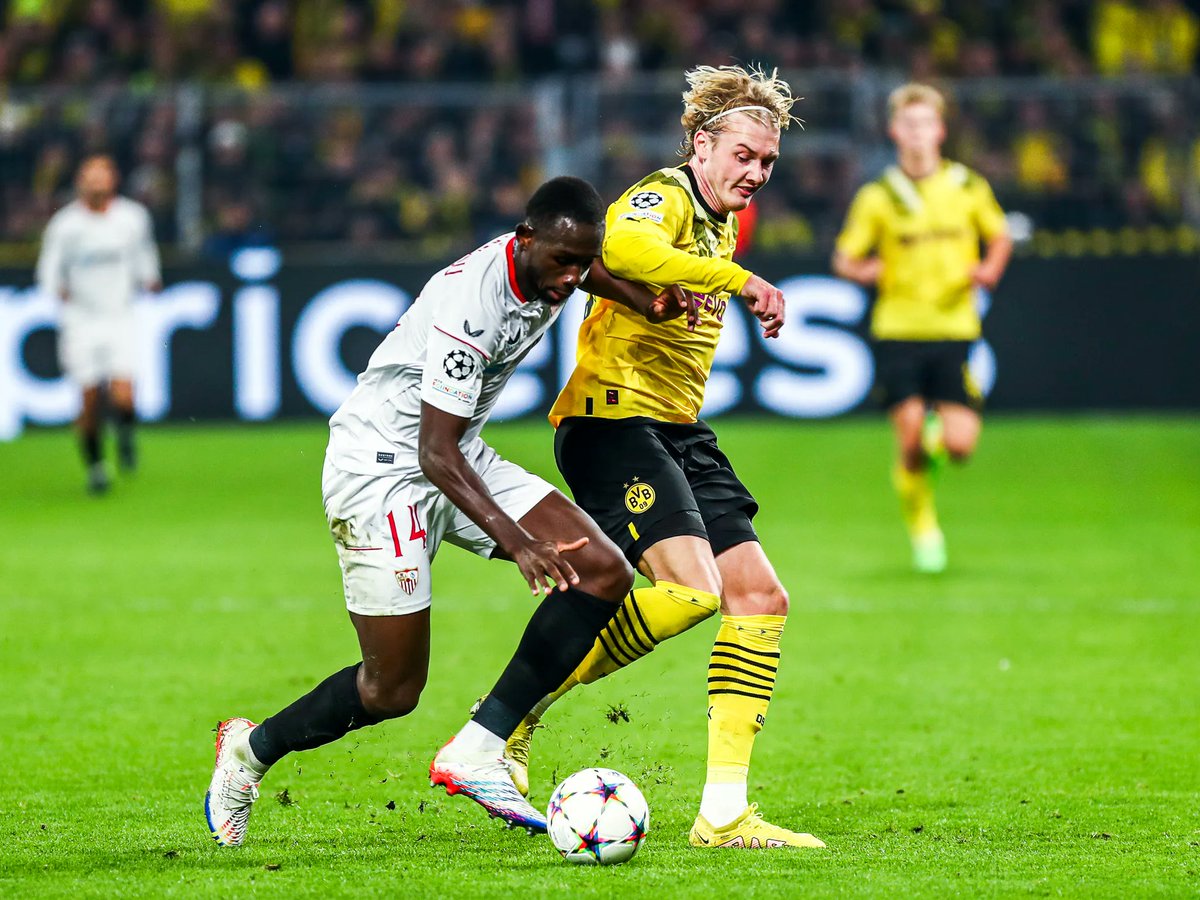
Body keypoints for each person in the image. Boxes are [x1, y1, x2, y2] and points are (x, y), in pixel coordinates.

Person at [204, 176, 693, 847]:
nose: (571, 278)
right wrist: (519, 542)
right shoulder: (475, 305)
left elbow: (582, 266)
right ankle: (249, 752)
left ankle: (479, 748)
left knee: (603, 571)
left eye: (583, 263)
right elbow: (432, 454)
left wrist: (637, 295)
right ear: (525, 240)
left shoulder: (554, 260)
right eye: (562, 261)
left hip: (456, 451)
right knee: (391, 689)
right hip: (382, 469)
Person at [467, 65, 826, 851]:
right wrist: (741, 280)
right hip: (609, 421)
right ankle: (517, 710)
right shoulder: (661, 196)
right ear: (703, 145)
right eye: (743, 155)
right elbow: (622, 245)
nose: (755, 173)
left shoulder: (723, 219)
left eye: (767, 164)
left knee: (759, 599)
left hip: (675, 427)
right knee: (692, 591)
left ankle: (724, 812)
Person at [833, 83, 1012, 573]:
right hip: (898, 330)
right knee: (908, 442)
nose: (917, 133)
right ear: (895, 131)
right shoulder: (879, 196)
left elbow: (999, 235)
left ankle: (933, 437)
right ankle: (923, 527)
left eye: (925, 123)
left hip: (955, 327)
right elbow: (845, 259)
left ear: (940, 130)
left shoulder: (967, 186)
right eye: (908, 124)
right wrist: (869, 271)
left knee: (960, 447)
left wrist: (990, 269)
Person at [36, 155, 162, 495]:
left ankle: (124, 435)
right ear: (80, 182)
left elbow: (145, 259)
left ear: (113, 180)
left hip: (120, 316)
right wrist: (56, 290)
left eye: (101, 176)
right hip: (81, 320)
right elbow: (48, 273)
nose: (95, 183)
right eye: (89, 176)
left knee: (124, 396)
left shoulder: (132, 219)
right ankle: (95, 467)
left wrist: (150, 279)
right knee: (89, 399)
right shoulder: (65, 226)